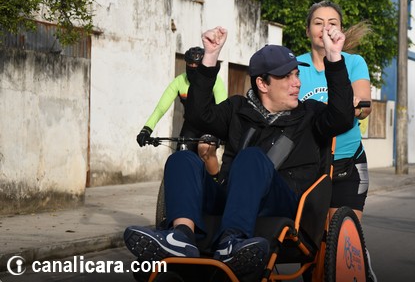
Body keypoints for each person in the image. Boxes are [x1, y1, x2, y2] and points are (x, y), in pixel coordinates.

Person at [123, 25, 354, 278]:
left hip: (282, 204)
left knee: (251, 158)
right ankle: (181, 237)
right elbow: (198, 115)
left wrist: (334, 57)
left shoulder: (311, 114)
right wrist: (210, 57)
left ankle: (231, 240)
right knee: (181, 159)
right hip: (231, 198)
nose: (296, 83)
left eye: (296, 75)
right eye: (286, 77)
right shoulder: (238, 109)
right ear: (262, 83)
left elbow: (343, 118)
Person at [297, 0, 376, 281]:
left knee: (342, 238)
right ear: (308, 30)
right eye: (318, 23)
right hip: (309, 166)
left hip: (347, 164)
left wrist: (354, 106)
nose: (325, 28)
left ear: (340, 30)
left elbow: (364, 104)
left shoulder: (353, 62)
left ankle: (359, 264)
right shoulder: (295, 65)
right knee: (309, 247)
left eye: (332, 23)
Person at [135, 46, 227, 151]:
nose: (193, 66)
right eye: (190, 63)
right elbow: (160, 108)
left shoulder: (214, 80)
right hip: (191, 125)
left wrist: (223, 132)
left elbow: (223, 108)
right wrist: (147, 129)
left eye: (197, 64)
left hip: (210, 125)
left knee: (205, 150)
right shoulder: (179, 81)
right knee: (181, 153)